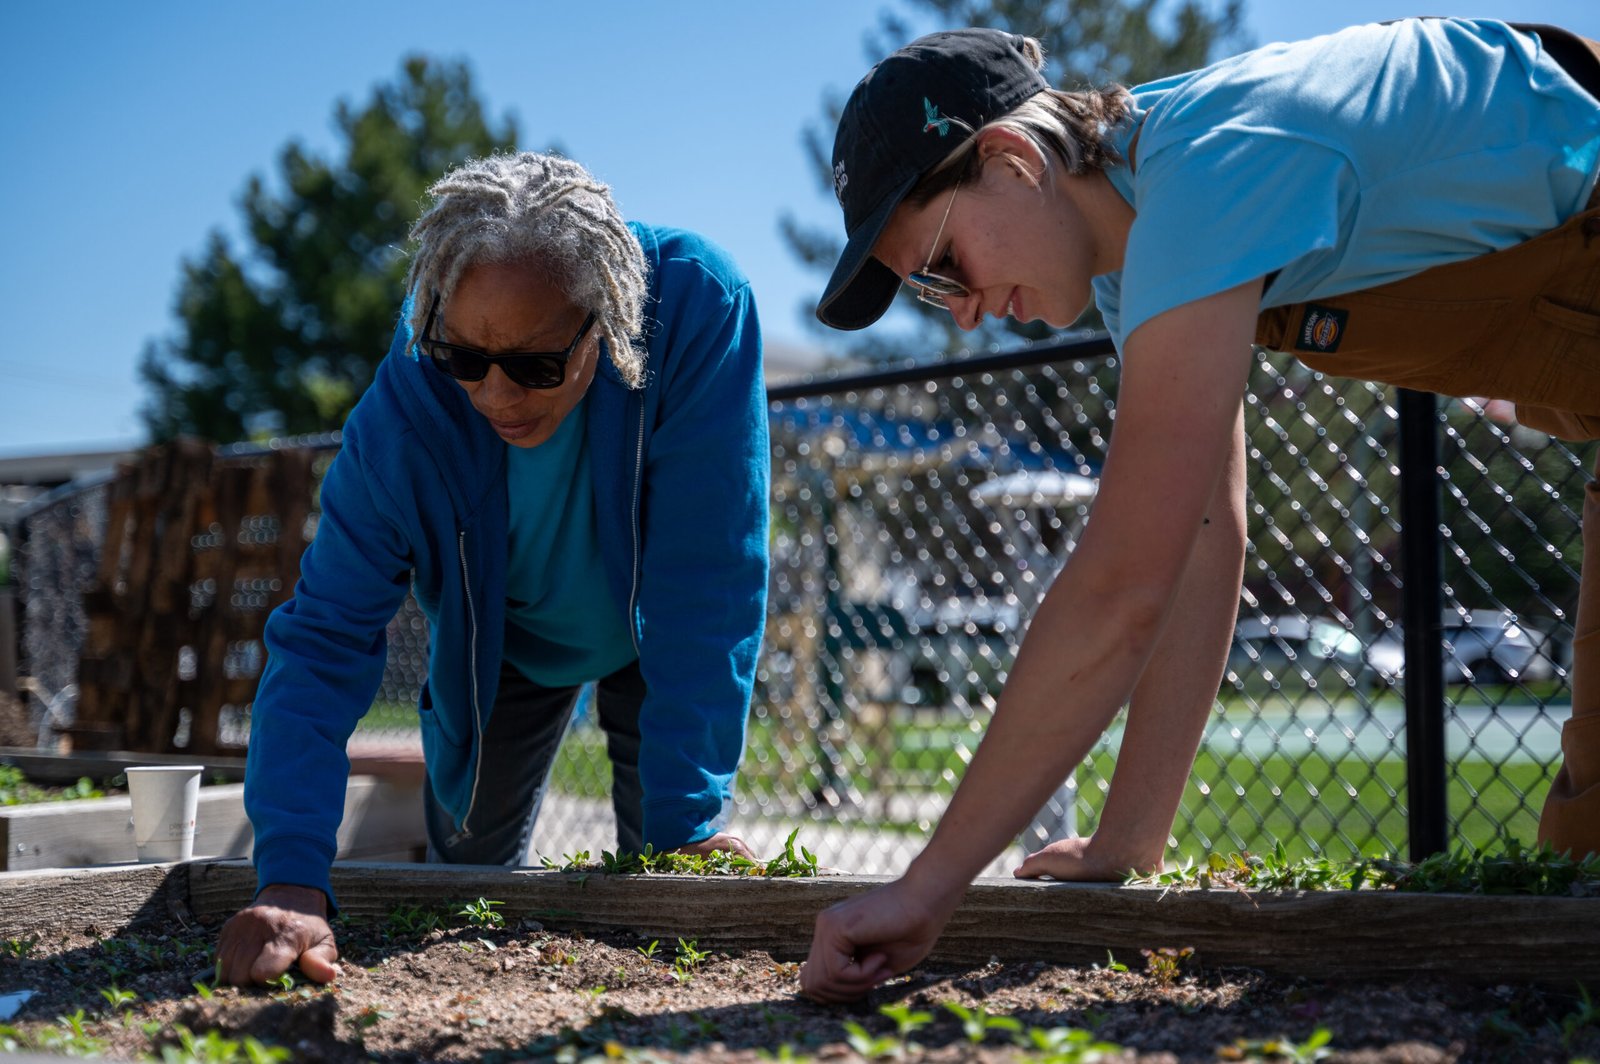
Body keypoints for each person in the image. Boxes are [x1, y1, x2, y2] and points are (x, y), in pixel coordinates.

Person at [801, 20, 1600, 1001]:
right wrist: (1128, 838)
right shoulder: (1138, 239)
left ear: (1010, 159)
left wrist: (924, 889)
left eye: (939, 264)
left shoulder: (1206, 169)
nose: (957, 310)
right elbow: (1200, 540)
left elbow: (1122, 582)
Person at [216, 151, 770, 986]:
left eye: (538, 366)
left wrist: (690, 815)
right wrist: (291, 875)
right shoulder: (402, 416)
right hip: (500, 651)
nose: (497, 398)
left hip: (658, 637)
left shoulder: (697, 308)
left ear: (610, 320)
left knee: (673, 887)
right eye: (465, 360)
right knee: (461, 891)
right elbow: (324, 641)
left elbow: (708, 579)